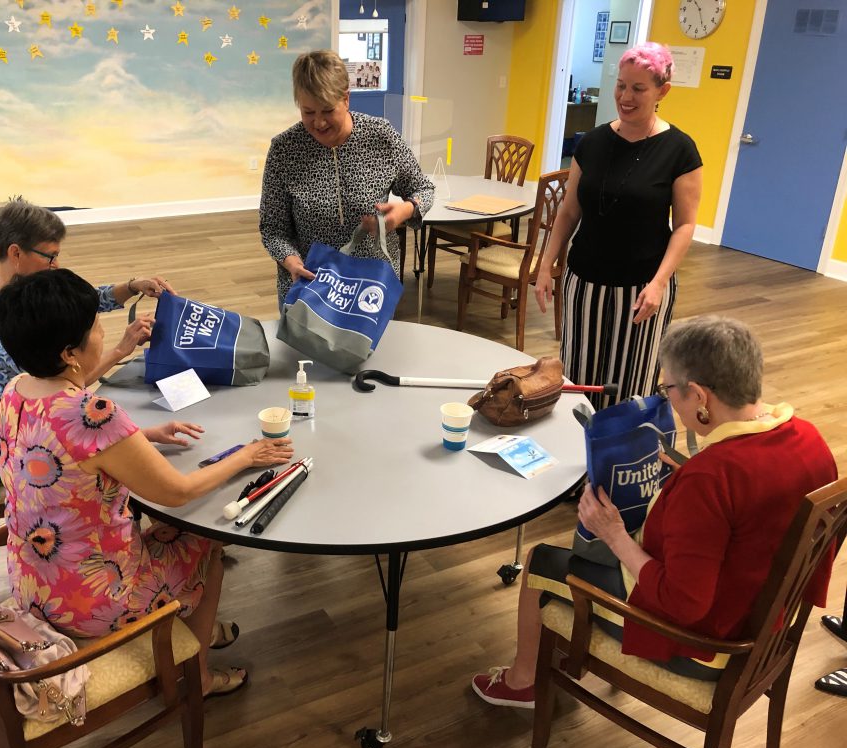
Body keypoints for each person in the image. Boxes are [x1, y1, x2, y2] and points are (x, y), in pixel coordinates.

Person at [471, 316, 838, 707]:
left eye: (669, 390)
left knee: (541, 560)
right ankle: (562, 648)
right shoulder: (809, 439)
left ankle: (522, 680)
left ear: (698, 396)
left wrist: (612, 533)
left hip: (708, 644)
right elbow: (757, 507)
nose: (669, 401)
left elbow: (681, 602)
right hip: (765, 619)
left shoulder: (711, 477)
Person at [0, 268, 295, 697]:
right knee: (206, 542)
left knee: (173, 532)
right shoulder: (94, 415)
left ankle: (199, 632)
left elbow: (63, 452)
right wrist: (249, 455)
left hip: (33, 583)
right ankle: (200, 676)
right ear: (69, 353)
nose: (101, 331)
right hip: (94, 600)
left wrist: (140, 438)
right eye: (96, 326)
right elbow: (177, 492)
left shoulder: (15, 391)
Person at [534, 43, 703, 410]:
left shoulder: (679, 150)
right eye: (621, 85)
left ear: (663, 91)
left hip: (642, 289)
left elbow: (685, 225)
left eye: (638, 88)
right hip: (584, 282)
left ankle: (621, 458)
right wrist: (545, 264)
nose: (625, 97)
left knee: (630, 382)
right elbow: (568, 211)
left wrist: (659, 283)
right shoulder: (592, 143)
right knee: (579, 378)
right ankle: (580, 455)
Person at [260, 49, 434, 304]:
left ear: (346, 99)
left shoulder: (380, 136)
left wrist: (405, 211)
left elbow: (423, 189)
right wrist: (291, 262)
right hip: (310, 288)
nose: (319, 123)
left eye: (327, 110)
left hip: (370, 290)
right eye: (308, 112)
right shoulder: (285, 149)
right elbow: (273, 229)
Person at [0, 198, 175, 407]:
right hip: (25, 423)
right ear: (16, 253)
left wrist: (132, 286)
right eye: (50, 256)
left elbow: (77, 304)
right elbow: (60, 386)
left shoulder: (14, 288)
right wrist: (121, 350)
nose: (56, 264)